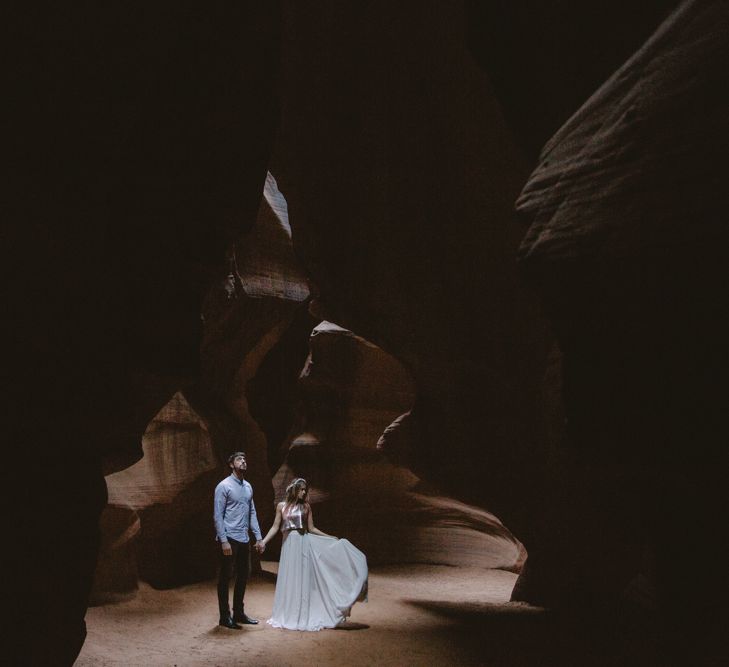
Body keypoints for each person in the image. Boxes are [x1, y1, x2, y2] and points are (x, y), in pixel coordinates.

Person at [259, 478, 368, 631]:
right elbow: (275, 527)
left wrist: (330, 537)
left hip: (303, 544)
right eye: (301, 489)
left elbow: (311, 528)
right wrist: (264, 541)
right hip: (289, 545)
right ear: (295, 489)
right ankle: (288, 613)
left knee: (303, 579)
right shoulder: (281, 506)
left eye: (305, 490)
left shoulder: (306, 507)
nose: (304, 492)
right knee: (290, 578)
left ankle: (303, 613)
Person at [213, 451, 265, 629]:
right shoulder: (224, 486)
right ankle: (224, 616)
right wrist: (223, 540)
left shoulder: (248, 487)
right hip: (229, 537)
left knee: (244, 574)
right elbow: (218, 515)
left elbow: (252, 513)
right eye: (239, 459)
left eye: (244, 459)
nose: (243, 461)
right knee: (225, 577)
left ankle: (239, 612)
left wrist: (258, 537)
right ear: (231, 464)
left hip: (244, 537)